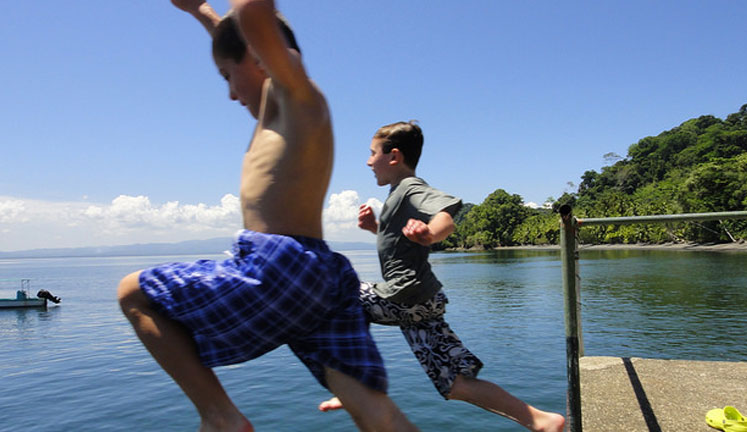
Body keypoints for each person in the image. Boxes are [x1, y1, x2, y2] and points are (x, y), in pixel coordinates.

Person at [117, 2, 418, 431]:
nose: (230, 94)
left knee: (133, 292)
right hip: (325, 279)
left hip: (278, 265)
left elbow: (251, 21)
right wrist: (199, 10)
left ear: (261, 58)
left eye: (226, 77)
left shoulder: (296, 94)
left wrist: (244, 17)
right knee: (370, 405)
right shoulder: (280, 115)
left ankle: (219, 416)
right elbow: (237, 37)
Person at [318, 121, 566, 432]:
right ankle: (541, 420)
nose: (368, 161)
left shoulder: (410, 187)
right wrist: (376, 230)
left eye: (372, 154)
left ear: (394, 156)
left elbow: (447, 214)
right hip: (421, 302)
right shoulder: (398, 193)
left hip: (403, 297)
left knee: (335, 287)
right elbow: (399, 244)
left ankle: (355, 384)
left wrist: (430, 233)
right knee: (455, 384)